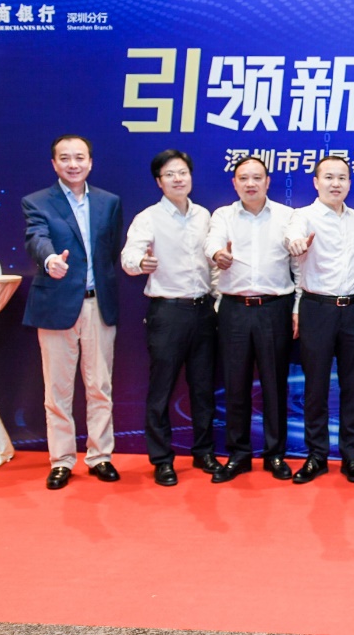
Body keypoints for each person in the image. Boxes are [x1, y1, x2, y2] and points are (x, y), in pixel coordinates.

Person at [22, 135, 123, 491]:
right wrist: (50, 260)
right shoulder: (37, 202)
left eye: (79, 157)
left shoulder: (109, 202)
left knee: (100, 386)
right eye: (65, 158)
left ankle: (100, 456)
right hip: (56, 305)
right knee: (58, 390)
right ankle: (62, 460)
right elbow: (36, 238)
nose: (73, 164)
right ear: (54, 164)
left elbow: (110, 251)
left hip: (98, 304)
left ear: (90, 162)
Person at [120, 149, 221, 487]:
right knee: (161, 389)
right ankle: (162, 459)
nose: (178, 179)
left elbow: (212, 265)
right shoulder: (148, 218)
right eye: (170, 174)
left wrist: (218, 300)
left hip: (203, 310)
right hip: (168, 312)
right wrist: (141, 263)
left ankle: (204, 451)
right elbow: (129, 255)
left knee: (203, 387)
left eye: (183, 173)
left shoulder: (204, 215)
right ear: (159, 182)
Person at [204, 156, 298, 484]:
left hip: (275, 308)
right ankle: (239, 454)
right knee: (235, 385)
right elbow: (212, 243)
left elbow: (299, 267)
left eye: (257, 177)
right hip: (234, 309)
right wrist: (218, 255)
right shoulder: (223, 215)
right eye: (243, 178)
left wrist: (298, 307)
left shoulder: (287, 216)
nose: (250, 184)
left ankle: (275, 454)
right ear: (234, 183)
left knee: (274, 384)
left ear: (268, 181)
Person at [285, 156, 354, 485]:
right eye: (328, 177)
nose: (335, 183)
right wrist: (296, 244)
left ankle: (351, 457)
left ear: (349, 183)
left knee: (353, 387)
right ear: (316, 182)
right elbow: (292, 239)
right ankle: (317, 456)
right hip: (317, 309)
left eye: (342, 178)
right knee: (315, 387)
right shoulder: (302, 217)